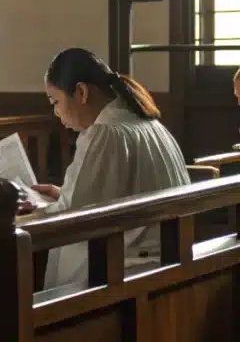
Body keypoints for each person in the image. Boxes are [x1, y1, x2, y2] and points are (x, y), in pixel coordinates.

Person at [26, 48, 190, 289]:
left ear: (81, 92)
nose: (56, 112)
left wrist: (24, 217)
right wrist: (62, 195)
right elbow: (111, 195)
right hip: (167, 257)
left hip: (130, 266)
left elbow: (74, 216)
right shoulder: (148, 124)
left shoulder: (105, 133)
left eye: (56, 102)